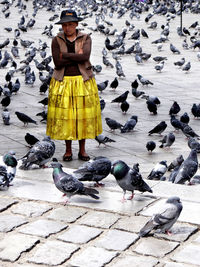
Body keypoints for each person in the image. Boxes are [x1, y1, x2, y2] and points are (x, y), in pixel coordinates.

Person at [46, 10, 102, 161]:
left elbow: (85, 57)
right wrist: (77, 56)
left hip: (82, 81)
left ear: (76, 24)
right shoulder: (56, 39)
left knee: (82, 117)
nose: (67, 28)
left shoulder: (86, 37)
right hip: (63, 81)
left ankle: (82, 150)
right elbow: (57, 63)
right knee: (67, 117)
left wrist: (65, 55)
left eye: (70, 24)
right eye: (64, 25)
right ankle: (68, 150)